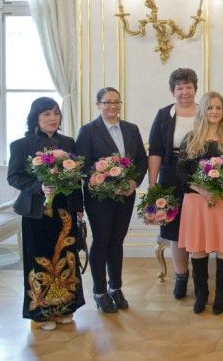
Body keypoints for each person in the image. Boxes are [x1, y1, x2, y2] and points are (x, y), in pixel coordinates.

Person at [7, 97, 85, 331]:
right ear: (36, 118)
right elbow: (14, 177)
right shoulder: (21, 145)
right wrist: (38, 186)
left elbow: (77, 179)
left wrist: (79, 208)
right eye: (46, 115)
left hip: (65, 211)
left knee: (66, 259)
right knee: (39, 259)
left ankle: (65, 308)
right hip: (37, 213)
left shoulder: (69, 142)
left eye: (56, 113)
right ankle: (41, 313)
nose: (52, 118)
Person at [75, 87, 148, 313]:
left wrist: (133, 183)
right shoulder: (88, 131)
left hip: (126, 195)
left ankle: (115, 287)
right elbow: (82, 166)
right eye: (107, 102)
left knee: (117, 241)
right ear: (98, 105)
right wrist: (104, 181)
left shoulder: (131, 129)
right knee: (101, 241)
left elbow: (141, 162)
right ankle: (99, 292)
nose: (112, 106)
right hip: (100, 198)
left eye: (116, 102)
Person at [177, 92, 223, 314]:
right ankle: (201, 294)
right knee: (198, 249)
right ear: (202, 111)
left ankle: (221, 294)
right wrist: (202, 190)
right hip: (197, 201)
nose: (214, 112)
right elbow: (180, 172)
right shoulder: (190, 138)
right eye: (210, 108)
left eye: (218, 108)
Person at [148, 68, 198, 299]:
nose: (184, 92)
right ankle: (180, 276)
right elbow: (156, 152)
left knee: (198, 227)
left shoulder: (205, 113)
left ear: (195, 89)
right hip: (169, 178)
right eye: (180, 87)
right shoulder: (163, 115)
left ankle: (200, 279)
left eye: (188, 87)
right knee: (175, 230)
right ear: (172, 91)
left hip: (200, 177)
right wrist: (152, 184)